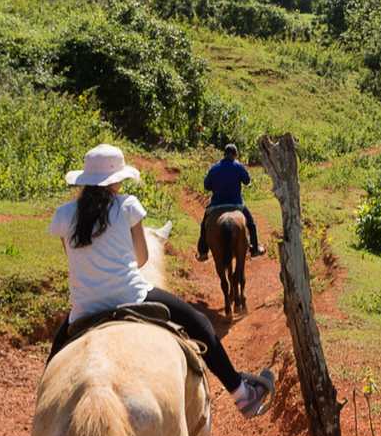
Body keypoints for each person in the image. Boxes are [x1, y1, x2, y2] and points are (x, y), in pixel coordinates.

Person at [46, 144, 274, 417]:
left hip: (84, 307)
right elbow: (142, 259)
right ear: (117, 179)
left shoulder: (63, 214)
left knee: (54, 362)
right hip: (132, 295)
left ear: (85, 179)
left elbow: (74, 260)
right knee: (200, 323)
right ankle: (243, 395)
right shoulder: (127, 205)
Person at [197, 143, 265, 261]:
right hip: (236, 204)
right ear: (235, 154)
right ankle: (254, 249)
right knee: (251, 224)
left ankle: (203, 251)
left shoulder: (214, 168)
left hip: (216, 205)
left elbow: (207, 186)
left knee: (204, 225)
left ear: (224, 154)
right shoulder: (238, 166)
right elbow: (247, 181)